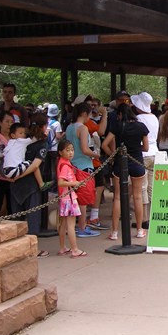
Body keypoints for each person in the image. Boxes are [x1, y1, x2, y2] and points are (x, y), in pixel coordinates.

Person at [101, 103, 149, 241]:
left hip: (120, 162)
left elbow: (105, 145)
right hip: (137, 162)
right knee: (138, 196)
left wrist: (114, 156)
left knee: (117, 197)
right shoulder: (141, 127)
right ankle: (140, 230)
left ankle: (115, 232)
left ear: (120, 114)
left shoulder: (117, 126)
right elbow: (145, 147)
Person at [9, 113, 50, 258]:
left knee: (17, 219)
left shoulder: (23, 141)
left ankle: (17, 249)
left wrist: (15, 176)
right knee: (33, 219)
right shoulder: (42, 144)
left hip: (15, 184)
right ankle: (33, 250)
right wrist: (22, 175)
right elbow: (35, 165)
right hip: (30, 185)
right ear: (43, 126)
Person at [66, 102, 100, 238]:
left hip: (71, 165)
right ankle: (82, 226)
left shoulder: (69, 127)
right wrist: (96, 154)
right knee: (83, 199)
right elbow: (85, 150)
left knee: (72, 197)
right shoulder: (83, 128)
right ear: (85, 114)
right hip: (84, 166)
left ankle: (73, 224)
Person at [56, 139, 87, 258]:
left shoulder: (62, 163)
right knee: (70, 224)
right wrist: (75, 183)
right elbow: (61, 182)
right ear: (60, 152)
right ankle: (75, 249)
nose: (71, 153)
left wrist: (76, 183)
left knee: (63, 224)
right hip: (69, 198)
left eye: (72, 150)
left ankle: (63, 247)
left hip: (64, 198)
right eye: (67, 150)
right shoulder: (65, 166)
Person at [132, 91, 159, 227]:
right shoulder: (154, 117)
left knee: (142, 188)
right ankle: (153, 215)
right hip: (155, 152)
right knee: (152, 186)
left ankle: (143, 219)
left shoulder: (139, 119)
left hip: (143, 153)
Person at [1, 123, 52, 191]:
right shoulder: (21, 141)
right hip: (13, 170)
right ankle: (41, 184)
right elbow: (35, 139)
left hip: (5, 171)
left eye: (24, 133)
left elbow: (3, 153)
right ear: (13, 135)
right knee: (33, 164)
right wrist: (44, 134)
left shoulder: (10, 143)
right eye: (20, 133)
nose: (23, 135)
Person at [83, 98, 109, 231]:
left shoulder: (72, 125)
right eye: (89, 105)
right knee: (97, 187)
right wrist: (104, 115)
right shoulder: (87, 124)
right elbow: (101, 131)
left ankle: (82, 218)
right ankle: (92, 217)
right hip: (91, 159)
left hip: (83, 160)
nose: (92, 107)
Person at [0, 111, 14, 216]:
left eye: (12, 121)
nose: (9, 124)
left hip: (12, 176)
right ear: (0, 122)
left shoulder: (15, 137)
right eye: (7, 121)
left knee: (12, 206)